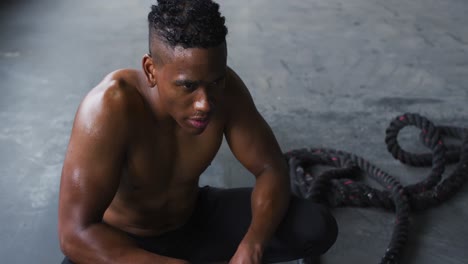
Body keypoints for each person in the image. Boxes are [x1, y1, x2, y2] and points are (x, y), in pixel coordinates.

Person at [58, 0, 338, 263]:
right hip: (125, 241)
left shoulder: (228, 90)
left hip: (193, 221)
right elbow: (74, 233)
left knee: (315, 225)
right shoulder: (108, 108)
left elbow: (270, 169)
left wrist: (252, 245)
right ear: (151, 70)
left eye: (215, 81)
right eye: (188, 86)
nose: (205, 104)